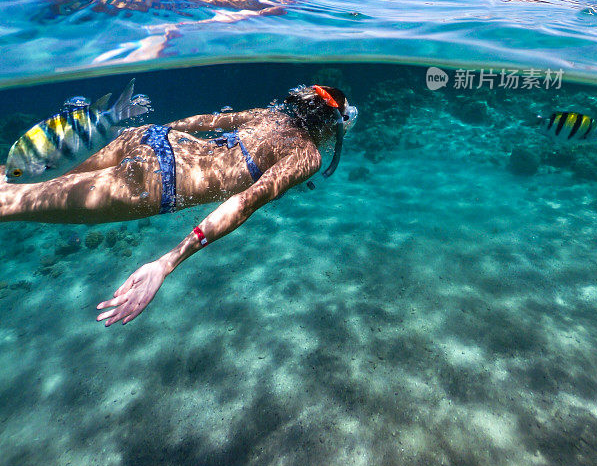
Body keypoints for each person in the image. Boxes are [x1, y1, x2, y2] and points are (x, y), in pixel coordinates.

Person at [0, 85, 357, 326]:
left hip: (150, 136)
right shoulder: (305, 156)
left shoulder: (270, 116)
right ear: (331, 126)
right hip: (156, 181)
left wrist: (160, 131)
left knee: (16, 182)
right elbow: (245, 203)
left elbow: (203, 122)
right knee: (13, 202)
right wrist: (166, 262)